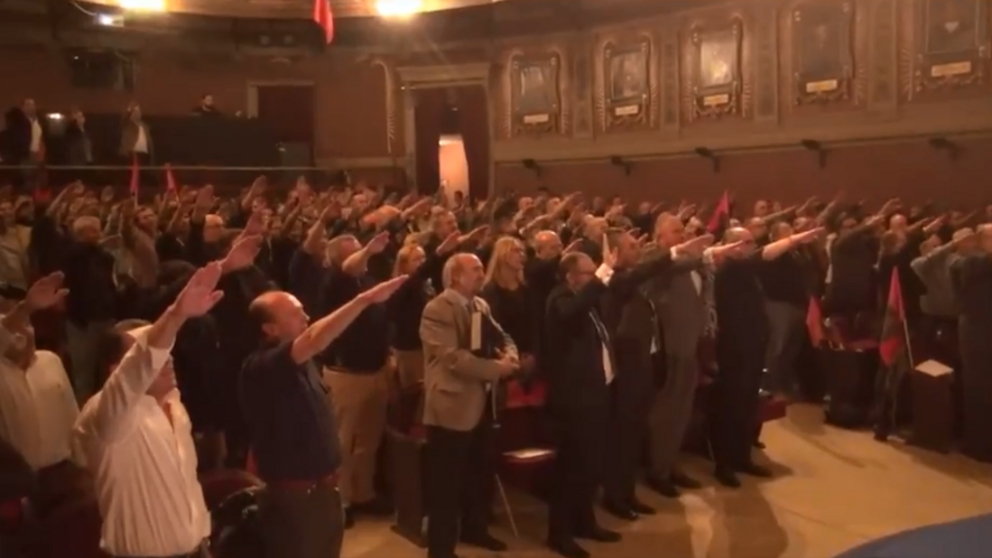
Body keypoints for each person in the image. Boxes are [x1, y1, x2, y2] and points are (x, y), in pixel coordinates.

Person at [240, 275, 408, 558]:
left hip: (324, 491)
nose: (306, 317)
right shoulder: (262, 366)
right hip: (295, 500)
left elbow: (313, 332)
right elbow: (316, 338)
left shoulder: (300, 360)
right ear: (269, 328)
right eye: (295, 314)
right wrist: (363, 300)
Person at [73, 260, 228, 558]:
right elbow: (140, 364)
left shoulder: (172, 401)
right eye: (154, 356)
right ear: (116, 370)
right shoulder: (106, 415)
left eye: (167, 352)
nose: (166, 359)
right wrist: (176, 314)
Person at [419, 253, 516, 558]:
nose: (481, 273)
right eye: (475, 269)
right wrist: (497, 369)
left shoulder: (480, 305)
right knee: (446, 487)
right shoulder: (436, 309)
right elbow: (452, 358)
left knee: (479, 473)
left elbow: (503, 336)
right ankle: (441, 550)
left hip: (482, 404)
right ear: (455, 277)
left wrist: (510, 355)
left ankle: (476, 529)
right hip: (452, 407)